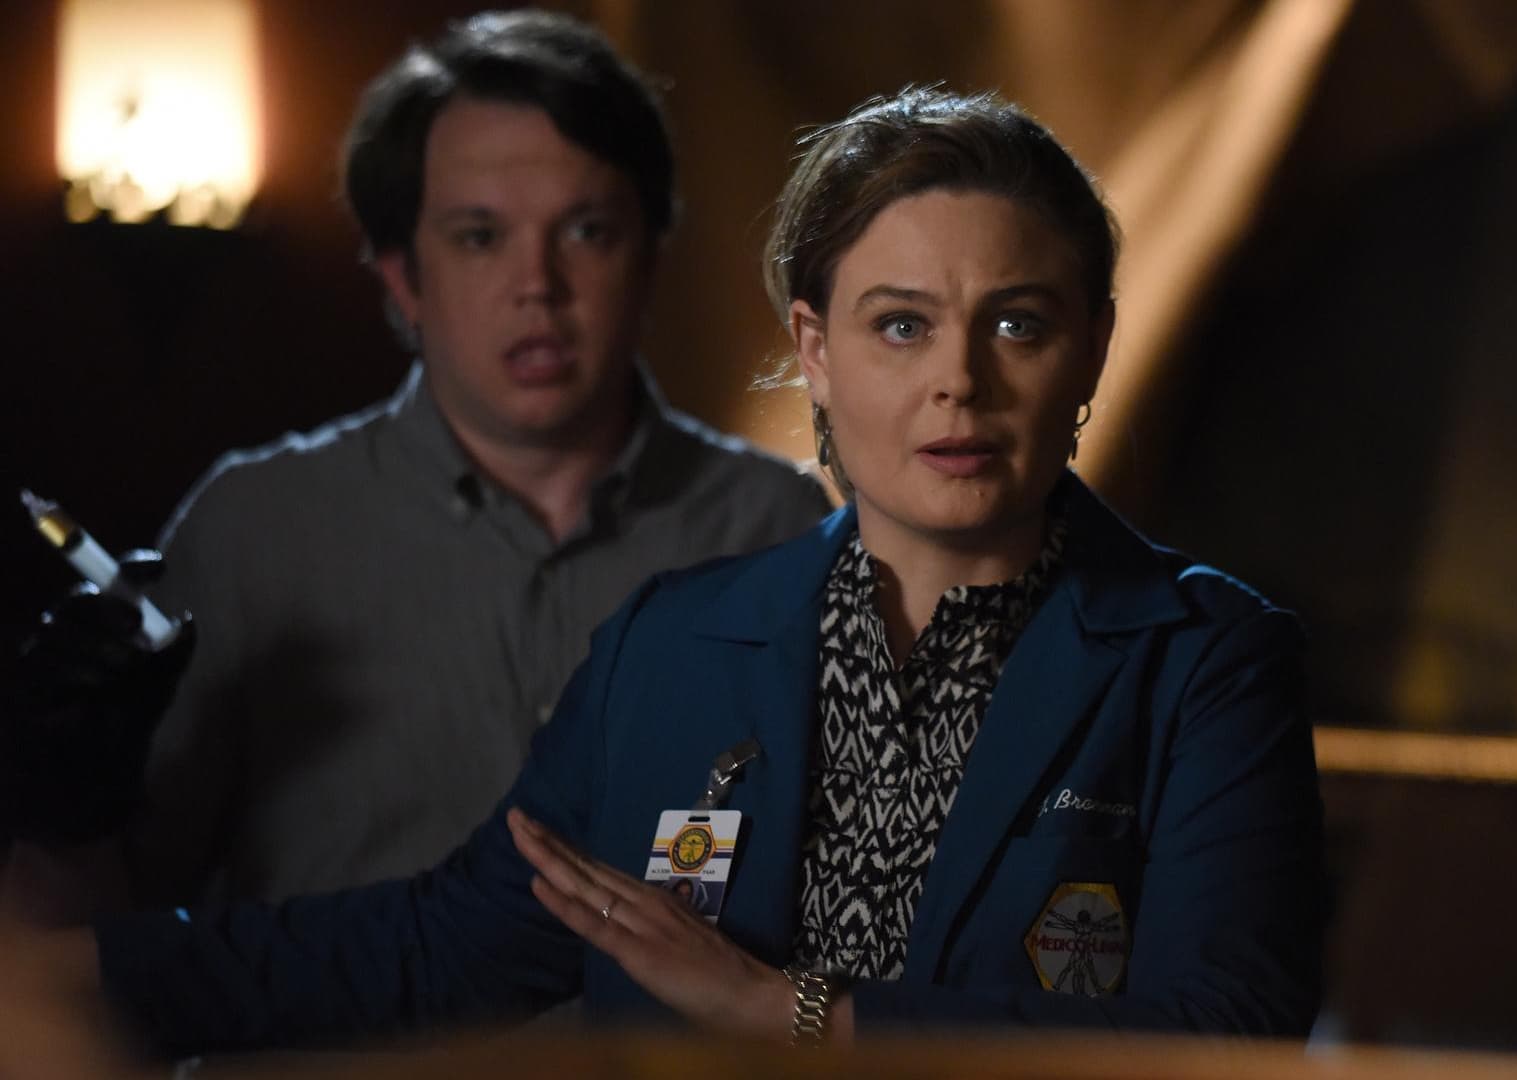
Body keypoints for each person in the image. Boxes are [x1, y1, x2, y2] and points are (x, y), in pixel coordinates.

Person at [10, 86, 1321, 1058]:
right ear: (816, 350)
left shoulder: (1205, 660)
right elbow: (439, 944)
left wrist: (790, 1013)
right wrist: (79, 972)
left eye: (1017, 324)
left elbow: (1224, 1031)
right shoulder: (673, 645)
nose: (958, 383)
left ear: (1091, 349)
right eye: (901, 325)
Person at [0, 10, 827, 917]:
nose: (537, 286)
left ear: (650, 253)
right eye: (480, 236)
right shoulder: (258, 531)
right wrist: (67, 805)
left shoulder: (776, 527)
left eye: (587, 230)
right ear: (402, 277)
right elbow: (111, 922)